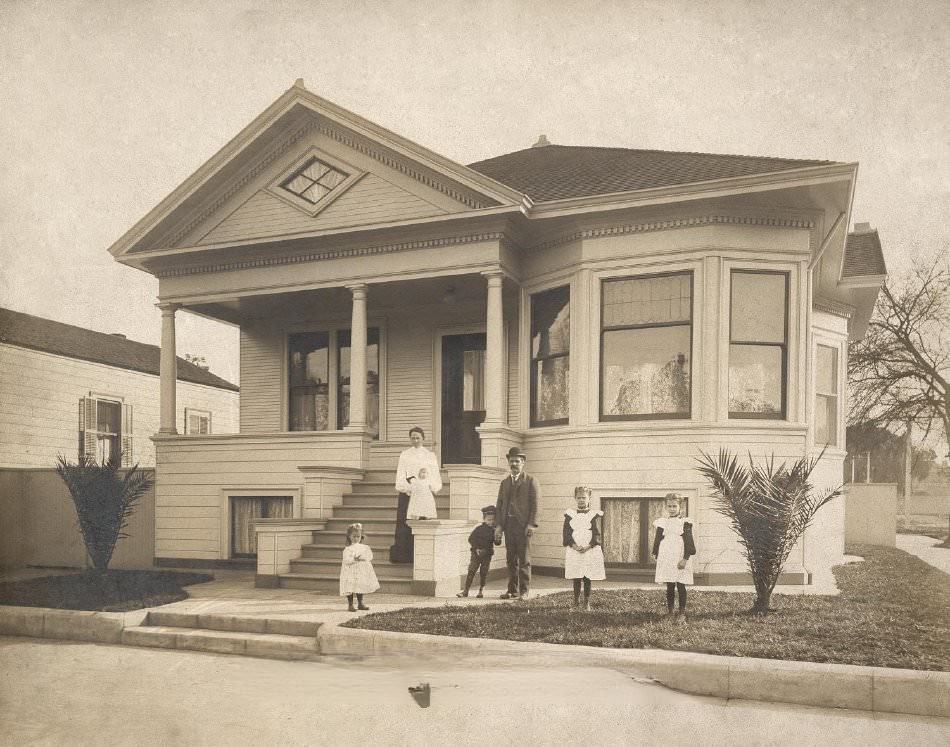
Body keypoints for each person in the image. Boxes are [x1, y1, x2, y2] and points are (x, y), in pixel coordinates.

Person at [494, 446, 540, 600]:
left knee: (524, 559)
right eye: (511, 461)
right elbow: (499, 505)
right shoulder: (505, 483)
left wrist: (532, 524)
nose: (514, 464)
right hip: (509, 526)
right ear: (508, 462)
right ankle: (512, 590)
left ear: (523, 462)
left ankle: (524, 591)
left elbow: (536, 505)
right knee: (511, 559)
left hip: (523, 526)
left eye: (517, 461)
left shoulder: (531, 481)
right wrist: (499, 526)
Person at [390, 427, 442, 563]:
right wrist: (408, 487)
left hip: (423, 494)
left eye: (418, 437)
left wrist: (430, 486)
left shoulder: (429, 455)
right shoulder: (405, 454)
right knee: (405, 522)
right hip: (408, 493)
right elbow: (401, 474)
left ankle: (421, 557)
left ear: (423, 438)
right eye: (413, 438)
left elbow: (434, 474)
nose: (415, 440)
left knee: (422, 522)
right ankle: (404, 555)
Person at [651, 493, 696, 623]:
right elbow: (658, 540)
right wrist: (656, 554)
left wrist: (685, 559)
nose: (672, 509)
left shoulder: (685, 523)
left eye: (674, 506)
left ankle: (682, 612)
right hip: (667, 557)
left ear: (680, 507)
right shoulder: (662, 522)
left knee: (681, 584)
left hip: (680, 557)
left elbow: (689, 543)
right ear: (666, 507)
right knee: (670, 584)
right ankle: (670, 611)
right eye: (669, 506)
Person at [563, 486, 605, 611]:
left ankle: (586, 602)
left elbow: (597, 533)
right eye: (579, 497)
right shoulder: (570, 515)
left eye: (584, 497)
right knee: (576, 575)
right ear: (575, 498)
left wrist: (588, 547)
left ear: (589, 498)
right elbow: (566, 533)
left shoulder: (594, 515)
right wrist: (574, 546)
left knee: (587, 576)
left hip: (589, 549)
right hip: (575, 549)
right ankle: (576, 601)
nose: (581, 500)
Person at [457, 505, 497, 598]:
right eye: (488, 520)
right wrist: (476, 548)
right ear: (484, 519)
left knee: (484, 572)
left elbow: (497, 543)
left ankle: (481, 591)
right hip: (476, 554)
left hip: (487, 555)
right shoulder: (478, 529)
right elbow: (471, 539)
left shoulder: (494, 530)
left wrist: (497, 537)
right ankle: (465, 591)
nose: (491, 522)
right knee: (471, 570)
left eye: (492, 520)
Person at [340, 522, 379, 612]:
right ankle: (350, 604)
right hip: (350, 570)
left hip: (361, 570)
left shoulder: (365, 547)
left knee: (360, 585)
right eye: (354, 536)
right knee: (350, 586)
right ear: (349, 537)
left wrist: (363, 558)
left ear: (361, 537)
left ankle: (360, 603)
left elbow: (370, 556)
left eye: (358, 536)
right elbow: (346, 560)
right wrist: (354, 559)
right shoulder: (348, 549)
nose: (356, 538)